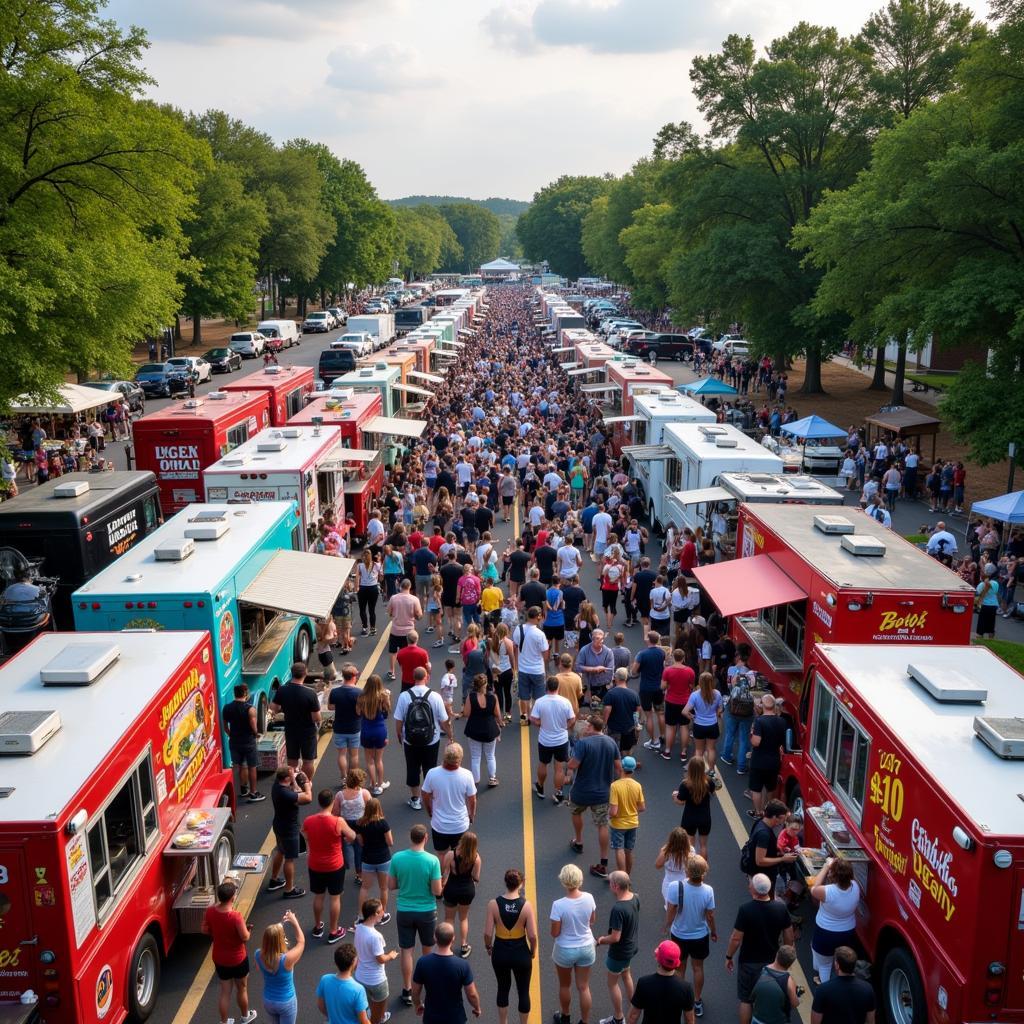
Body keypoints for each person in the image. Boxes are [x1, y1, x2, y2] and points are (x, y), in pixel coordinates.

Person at [725, 874, 795, 1024]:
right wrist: (786, 956)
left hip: (748, 962)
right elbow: (789, 935)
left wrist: (729, 956)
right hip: (772, 961)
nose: (748, 885)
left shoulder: (745, 910)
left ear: (754, 890)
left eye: (750, 883)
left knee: (746, 999)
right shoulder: (780, 908)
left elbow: (736, 938)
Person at [389, 823, 443, 1007]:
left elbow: (391, 885)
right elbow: (437, 891)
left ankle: (407, 989)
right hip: (426, 911)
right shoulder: (432, 861)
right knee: (428, 951)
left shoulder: (397, 858)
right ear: (425, 838)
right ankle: (427, 987)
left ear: (410, 838)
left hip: (404, 910)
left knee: (406, 951)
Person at [568, 714, 622, 879]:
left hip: (581, 791)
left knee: (576, 813)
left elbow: (573, 764)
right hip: (602, 793)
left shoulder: (583, 743)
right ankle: (603, 862)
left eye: (587, 725)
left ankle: (578, 841)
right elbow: (618, 768)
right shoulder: (611, 742)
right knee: (602, 825)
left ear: (591, 727)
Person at [663, 855, 716, 1019]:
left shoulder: (675, 886)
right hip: (700, 935)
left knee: (680, 968)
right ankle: (697, 1000)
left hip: (679, 934)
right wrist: (713, 931)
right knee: (698, 968)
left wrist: (667, 926)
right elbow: (710, 916)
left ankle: (680, 998)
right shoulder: (708, 890)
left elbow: (671, 910)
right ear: (704, 873)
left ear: (687, 870)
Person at [483, 868, 538, 1024]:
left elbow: (487, 933)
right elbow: (532, 935)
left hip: (500, 950)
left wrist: (489, 947)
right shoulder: (526, 905)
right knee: (523, 992)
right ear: (520, 884)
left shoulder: (493, 904)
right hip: (521, 951)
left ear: (506, 883)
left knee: (502, 989)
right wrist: (532, 950)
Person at [394, 667, 451, 811]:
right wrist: (450, 735)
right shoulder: (435, 697)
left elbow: (399, 720)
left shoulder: (404, 696)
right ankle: (430, 798)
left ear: (413, 678)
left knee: (412, 768)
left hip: (410, 740)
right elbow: (444, 721)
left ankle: (415, 799)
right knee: (430, 768)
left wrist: (400, 735)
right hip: (431, 740)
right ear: (427, 677)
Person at [304, 788, 356, 943]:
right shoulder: (338, 821)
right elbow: (352, 836)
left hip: (315, 864)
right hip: (334, 865)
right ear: (332, 803)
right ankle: (333, 931)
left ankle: (318, 926)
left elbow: (305, 835)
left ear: (319, 802)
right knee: (335, 898)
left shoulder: (309, 820)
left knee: (319, 896)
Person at [201, 880, 257, 1024]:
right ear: (232, 898)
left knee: (225, 992)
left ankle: (224, 1022)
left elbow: (204, 930)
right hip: (238, 959)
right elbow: (245, 937)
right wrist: (249, 930)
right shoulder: (236, 917)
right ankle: (245, 1017)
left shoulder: (210, 911)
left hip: (220, 958)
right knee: (242, 989)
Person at [550, 863, 598, 1024]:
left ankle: (565, 1017)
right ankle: (584, 1021)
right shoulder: (589, 898)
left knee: (565, 986)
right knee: (584, 987)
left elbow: (555, 933)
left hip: (565, 949)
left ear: (563, 881)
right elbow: (592, 921)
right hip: (586, 947)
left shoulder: (558, 905)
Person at [412, 921, 482, 1023]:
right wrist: (477, 1007)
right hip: (456, 1018)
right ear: (453, 938)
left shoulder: (423, 962)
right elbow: (471, 994)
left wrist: (417, 1004)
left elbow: (415, 991)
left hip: (431, 1018)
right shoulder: (462, 965)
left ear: (435, 938)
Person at [596, 870, 640, 1024]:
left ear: (615, 886)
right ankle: (635, 1004)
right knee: (626, 974)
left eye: (610, 883)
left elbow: (615, 937)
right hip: (630, 948)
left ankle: (618, 1018)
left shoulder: (618, 909)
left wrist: (601, 940)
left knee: (612, 983)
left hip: (618, 953)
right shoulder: (635, 898)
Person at [808, 857, 861, 983]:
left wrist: (826, 866)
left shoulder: (827, 891)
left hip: (826, 934)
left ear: (834, 875)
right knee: (842, 964)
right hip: (847, 932)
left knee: (824, 965)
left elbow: (814, 888)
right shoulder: (855, 886)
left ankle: (825, 985)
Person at [421, 742, 477, 852]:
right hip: (460, 825)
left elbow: (425, 795)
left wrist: (430, 811)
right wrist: (471, 815)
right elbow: (472, 799)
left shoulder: (432, 773)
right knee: (459, 855)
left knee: (442, 854)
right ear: (460, 758)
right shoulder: (467, 775)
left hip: (439, 825)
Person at [268, 765, 313, 899]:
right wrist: (307, 784)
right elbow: (308, 798)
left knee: (280, 851)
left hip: (279, 825)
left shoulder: (277, 786)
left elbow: (295, 790)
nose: (294, 775)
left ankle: (274, 879)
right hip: (289, 828)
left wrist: (294, 778)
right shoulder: (286, 794)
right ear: (287, 778)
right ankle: (289, 889)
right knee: (289, 858)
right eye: (292, 774)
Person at [269, 662, 321, 777]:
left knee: (292, 761)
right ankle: (306, 783)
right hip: (307, 731)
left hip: (291, 729)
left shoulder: (282, 690)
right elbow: (316, 717)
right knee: (308, 761)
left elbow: (273, 708)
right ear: (305, 674)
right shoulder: (310, 693)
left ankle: (293, 784)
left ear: (292, 673)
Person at [531, 675, 576, 803]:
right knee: (559, 768)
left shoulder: (540, 702)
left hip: (545, 740)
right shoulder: (565, 702)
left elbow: (533, 718)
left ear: (546, 687)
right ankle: (558, 792)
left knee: (543, 763)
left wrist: (540, 724)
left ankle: (540, 787)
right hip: (561, 740)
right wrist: (565, 728)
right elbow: (572, 719)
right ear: (558, 687)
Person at [627, 941, 696, 1024]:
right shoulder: (686, 988)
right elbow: (689, 1020)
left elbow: (633, 1016)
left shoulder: (644, 983)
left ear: (657, 958)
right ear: (677, 963)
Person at [254, 912, 305, 1024]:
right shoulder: (286, 960)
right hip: (286, 1001)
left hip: (268, 1000)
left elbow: (261, 968)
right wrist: (294, 921)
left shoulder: (258, 954)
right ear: (281, 939)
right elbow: (301, 942)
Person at [353, 898, 398, 1024]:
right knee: (378, 1010)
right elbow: (380, 959)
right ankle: (379, 1018)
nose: (383, 913)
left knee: (366, 1003)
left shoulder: (358, 928)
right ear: (374, 914)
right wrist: (391, 955)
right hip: (376, 980)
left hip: (360, 977)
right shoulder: (375, 936)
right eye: (381, 911)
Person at [354, 798, 393, 927]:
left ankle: (360, 916)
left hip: (367, 859)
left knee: (365, 887)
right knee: (383, 888)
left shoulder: (360, 823)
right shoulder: (383, 823)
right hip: (383, 859)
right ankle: (382, 915)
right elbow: (390, 842)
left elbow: (361, 842)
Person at [441, 831, 481, 958]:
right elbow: (476, 877)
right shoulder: (476, 858)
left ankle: (448, 946)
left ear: (461, 841)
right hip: (467, 890)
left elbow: (445, 872)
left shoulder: (450, 855)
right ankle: (464, 946)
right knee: (463, 918)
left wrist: (442, 886)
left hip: (451, 889)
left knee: (449, 919)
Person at [222, 682, 264, 802]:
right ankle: (254, 792)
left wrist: (232, 735)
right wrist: (256, 734)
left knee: (240, 765)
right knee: (252, 766)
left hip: (234, 742)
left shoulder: (227, 708)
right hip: (248, 742)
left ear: (234, 694)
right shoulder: (250, 709)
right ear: (246, 693)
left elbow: (225, 727)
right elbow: (253, 727)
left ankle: (243, 789)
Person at [811, 946, 875, 1024]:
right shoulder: (867, 989)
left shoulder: (822, 990)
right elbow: (871, 1021)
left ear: (837, 965)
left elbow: (815, 1022)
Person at [748, 695, 788, 819]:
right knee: (771, 788)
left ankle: (758, 812)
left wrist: (751, 735)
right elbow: (783, 741)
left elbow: (756, 742)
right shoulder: (782, 721)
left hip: (759, 760)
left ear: (762, 705)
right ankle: (769, 811)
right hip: (774, 760)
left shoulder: (760, 721)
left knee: (756, 788)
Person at [463, 672, 503, 786]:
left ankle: (475, 780)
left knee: (476, 757)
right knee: (490, 756)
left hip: (474, 730)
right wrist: (500, 725)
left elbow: (466, 713)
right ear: (485, 684)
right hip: (490, 730)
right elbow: (497, 714)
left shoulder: (471, 696)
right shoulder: (493, 697)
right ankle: (492, 778)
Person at [316, 943, 370, 1024]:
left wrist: (331, 1018)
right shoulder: (358, 989)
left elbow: (320, 1006)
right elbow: (364, 1020)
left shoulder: (325, 979)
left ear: (336, 962)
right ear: (353, 962)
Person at [673, 756, 715, 862]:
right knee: (703, 846)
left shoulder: (685, 784)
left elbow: (680, 802)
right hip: (705, 817)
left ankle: (691, 869)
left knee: (690, 847)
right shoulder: (709, 782)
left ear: (690, 769)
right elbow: (713, 793)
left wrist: (674, 796)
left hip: (689, 818)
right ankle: (702, 869)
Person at [608, 756, 645, 873]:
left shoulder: (615, 786)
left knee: (619, 849)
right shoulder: (637, 785)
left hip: (618, 824)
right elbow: (642, 807)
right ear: (633, 770)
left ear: (621, 768)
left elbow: (613, 811)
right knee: (628, 850)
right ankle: (627, 876)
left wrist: (608, 814)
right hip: (633, 823)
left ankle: (621, 878)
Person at [750, 799, 797, 891]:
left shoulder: (761, 822)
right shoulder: (764, 834)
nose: (783, 822)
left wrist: (778, 849)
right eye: (783, 819)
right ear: (775, 817)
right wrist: (783, 859)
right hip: (763, 875)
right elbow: (760, 861)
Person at [682, 672, 722, 778]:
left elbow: (685, 711)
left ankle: (698, 772)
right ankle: (712, 770)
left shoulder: (695, 695)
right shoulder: (717, 694)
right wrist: (716, 713)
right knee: (711, 749)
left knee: (699, 750)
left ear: (700, 682)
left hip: (699, 725)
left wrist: (693, 717)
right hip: (712, 725)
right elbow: (720, 709)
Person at [357, 674, 391, 796]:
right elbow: (387, 713)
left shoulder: (361, 697)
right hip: (380, 730)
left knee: (369, 761)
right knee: (378, 760)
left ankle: (373, 784)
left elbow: (358, 713)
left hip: (366, 730)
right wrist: (388, 697)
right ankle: (381, 783)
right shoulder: (383, 697)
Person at [632, 631, 666, 751]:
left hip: (646, 688)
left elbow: (634, 671)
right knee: (660, 713)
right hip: (658, 688)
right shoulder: (662, 652)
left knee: (649, 716)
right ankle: (663, 736)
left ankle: (654, 741)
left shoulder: (642, 654)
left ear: (648, 640)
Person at [515, 605, 549, 723]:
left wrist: (516, 666)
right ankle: (535, 717)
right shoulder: (540, 634)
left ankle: (525, 717)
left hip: (523, 669)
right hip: (537, 670)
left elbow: (515, 647)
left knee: (524, 696)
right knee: (538, 697)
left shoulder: (518, 629)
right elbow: (545, 654)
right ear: (538, 617)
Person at [749, 945, 800, 1024]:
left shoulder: (761, 971)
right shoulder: (788, 981)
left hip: (757, 1019)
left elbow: (752, 995)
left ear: (777, 955)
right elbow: (795, 1003)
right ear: (790, 964)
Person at [330, 664, 364, 782]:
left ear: (344, 676)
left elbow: (330, 707)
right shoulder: (359, 692)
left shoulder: (335, 692)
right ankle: (352, 778)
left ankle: (344, 777)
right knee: (354, 755)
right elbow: (360, 711)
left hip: (339, 727)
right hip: (354, 727)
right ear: (354, 677)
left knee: (342, 754)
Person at [660, 648, 694, 764]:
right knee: (684, 727)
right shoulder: (690, 671)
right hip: (685, 702)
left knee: (670, 727)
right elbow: (691, 686)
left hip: (671, 701)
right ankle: (683, 752)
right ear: (683, 658)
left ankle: (668, 750)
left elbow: (663, 687)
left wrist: (669, 686)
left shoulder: (668, 671)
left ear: (673, 657)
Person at [387, 578, 423, 681]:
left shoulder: (393, 598)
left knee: (393, 651)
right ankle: (407, 670)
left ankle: (392, 671)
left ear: (400, 586)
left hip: (395, 629)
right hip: (409, 631)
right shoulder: (414, 599)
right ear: (410, 587)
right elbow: (419, 616)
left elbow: (389, 612)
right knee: (408, 652)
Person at [604, 667, 641, 760]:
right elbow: (637, 711)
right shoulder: (634, 694)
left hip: (614, 728)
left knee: (613, 752)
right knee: (627, 751)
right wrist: (636, 724)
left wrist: (604, 724)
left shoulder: (611, 694)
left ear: (616, 677)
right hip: (629, 728)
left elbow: (607, 710)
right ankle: (626, 768)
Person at [576, 629, 615, 705]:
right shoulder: (584, 650)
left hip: (602, 685)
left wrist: (606, 685)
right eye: (597, 638)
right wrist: (593, 669)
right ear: (592, 639)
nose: (601, 641)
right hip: (587, 685)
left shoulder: (608, 652)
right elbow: (578, 667)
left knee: (600, 706)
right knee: (589, 705)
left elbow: (610, 670)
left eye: (602, 638)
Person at [976, 562, 1000, 638]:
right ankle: (991, 640)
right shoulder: (996, 583)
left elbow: (978, 593)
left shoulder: (981, 584)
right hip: (993, 606)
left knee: (981, 624)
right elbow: (995, 591)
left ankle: (980, 638)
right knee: (991, 624)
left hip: (984, 605)